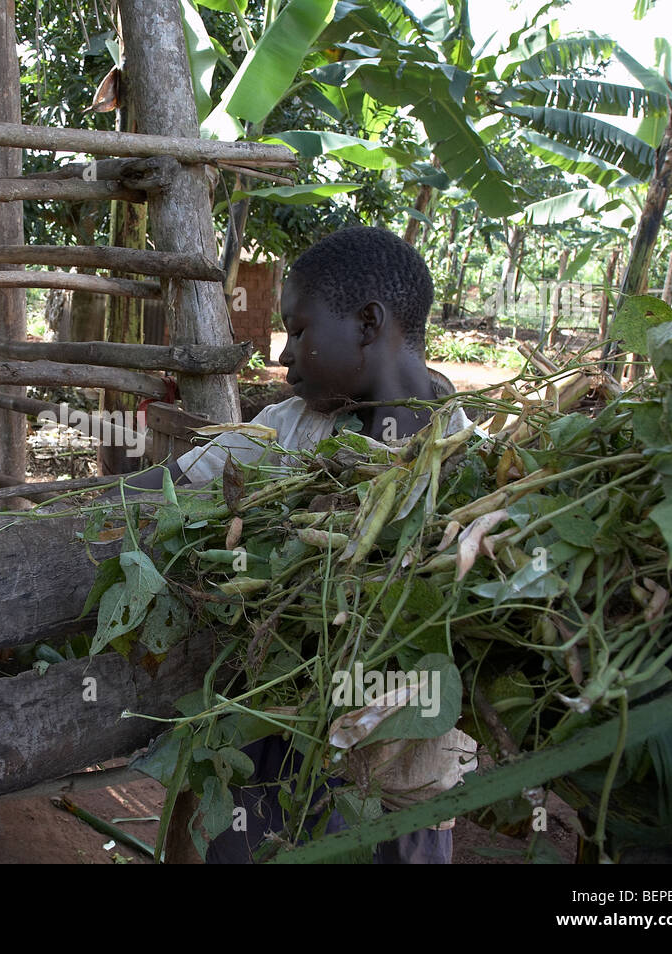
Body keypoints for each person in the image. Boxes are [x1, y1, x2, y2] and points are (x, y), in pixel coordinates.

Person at [129, 226, 477, 863]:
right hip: (268, 747)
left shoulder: (467, 468)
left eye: (299, 329)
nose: (284, 356)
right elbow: (172, 484)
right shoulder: (288, 427)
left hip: (391, 778)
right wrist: (72, 505)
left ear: (368, 324)